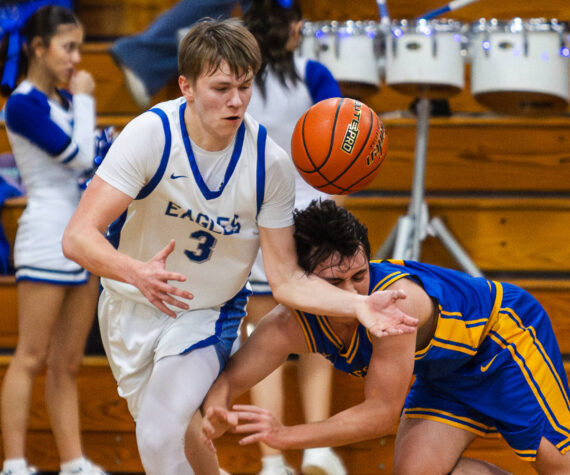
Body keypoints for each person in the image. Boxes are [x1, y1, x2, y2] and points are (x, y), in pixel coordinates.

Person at [61, 18, 417, 475]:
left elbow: (285, 278)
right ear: (186, 86)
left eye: (245, 87)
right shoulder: (150, 135)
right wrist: (136, 273)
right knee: (182, 440)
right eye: (222, 87)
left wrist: (359, 306)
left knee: (156, 435)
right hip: (130, 305)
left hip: (205, 315)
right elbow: (77, 236)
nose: (235, 100)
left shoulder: (269, 165)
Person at [202, 199, 570, 475]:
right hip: (444, 373)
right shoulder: (287, 324)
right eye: (335, 283)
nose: (351, 292)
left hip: (503, 340)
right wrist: (215, 411)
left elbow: (380, 414)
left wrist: (288, 436)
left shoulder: (397, 302)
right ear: (303, 280)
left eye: (359, 275)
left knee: (558, 464)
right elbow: (231, 379)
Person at [0, 6, 107, 475]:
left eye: (80, 47)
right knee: (30, 356)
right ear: (36, 48)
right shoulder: (21, 104)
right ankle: (15, 464)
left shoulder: (61, 102)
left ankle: (73, 462)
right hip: (45, 235)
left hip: (81, 238)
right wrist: (85, 100)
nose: (76, 59)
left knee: (67, 364)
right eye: (68, 47)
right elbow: (81, 158)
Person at [242, 1, 345, 474]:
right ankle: (317, 448)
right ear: (293, 24)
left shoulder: (237, 77)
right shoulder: (315, 74)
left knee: (262, 340)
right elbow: (345, 143)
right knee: (319, 336)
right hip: (312, 215)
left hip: (254, 216)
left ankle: (271, 461)